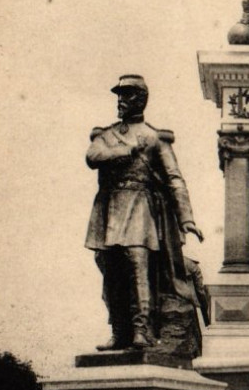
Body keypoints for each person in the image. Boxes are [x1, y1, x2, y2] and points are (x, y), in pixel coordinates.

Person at [85, 75, 203, 351]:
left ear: (139, 99)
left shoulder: (155, 138)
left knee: (138, 266)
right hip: (109, 210)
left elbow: (175, 179)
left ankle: (143, 331)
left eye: (126, 96)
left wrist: (186, 219)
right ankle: (119, 331)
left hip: (141, 208)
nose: (120, 101)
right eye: (119, 96)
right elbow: (93, 156)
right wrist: (127, 150)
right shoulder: (105, 135)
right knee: (111, 270)